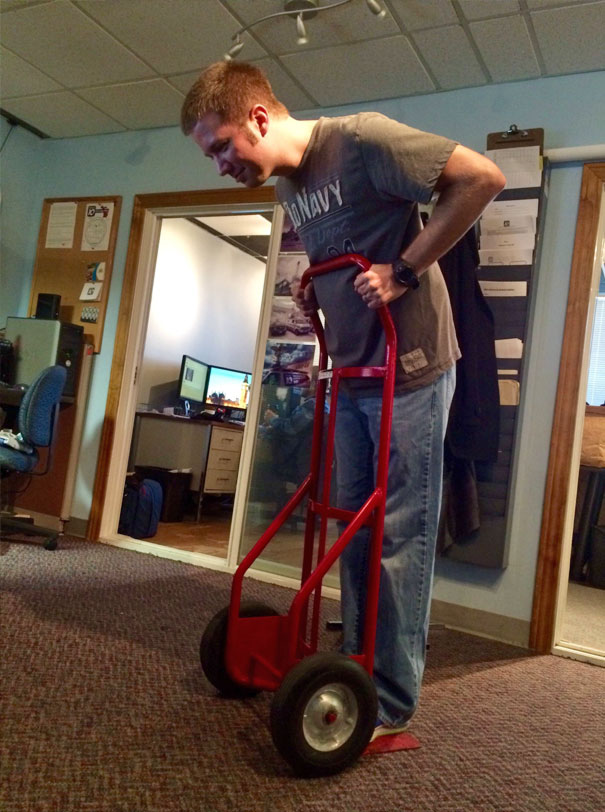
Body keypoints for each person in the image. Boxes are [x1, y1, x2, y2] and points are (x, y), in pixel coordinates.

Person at [181, 61, 506, 741]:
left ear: (260, 118)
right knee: (351, 528)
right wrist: (313, 287)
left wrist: (406, 270)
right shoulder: (288, 186)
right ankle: (354, 662)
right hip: (355, 372)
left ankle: (386, 700)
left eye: (220, 146)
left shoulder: (361, 141)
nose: (218, 164)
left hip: (411, 366)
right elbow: (348, 252)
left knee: (398, 535)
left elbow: (480, 179)